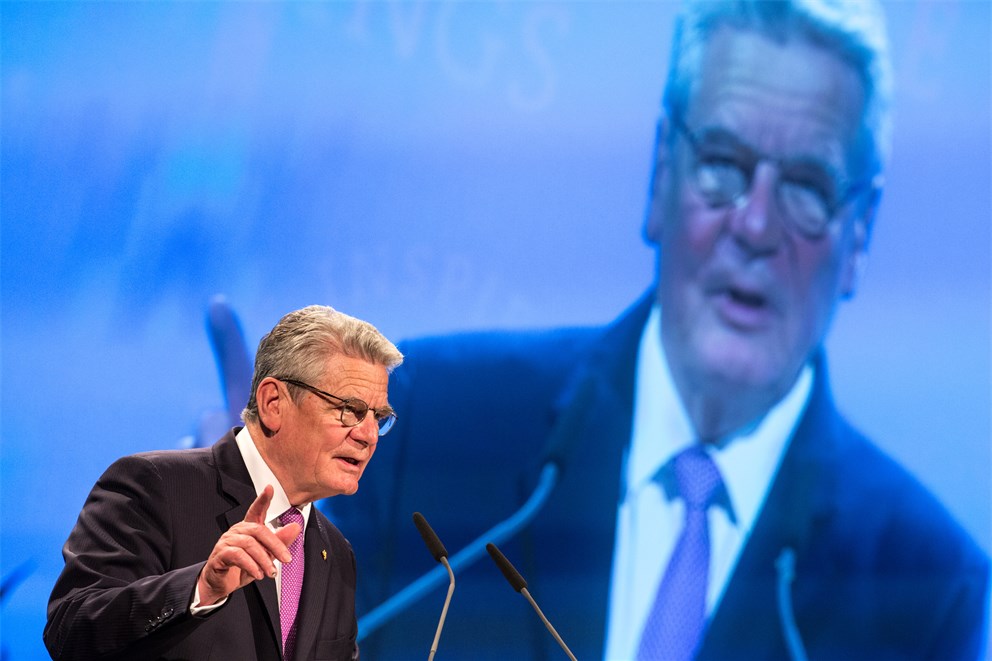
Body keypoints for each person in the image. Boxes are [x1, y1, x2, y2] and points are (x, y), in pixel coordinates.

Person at [199, 1, 988, 659]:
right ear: (661, 175)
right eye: (722, 162)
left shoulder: (925, 589)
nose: (754, 225)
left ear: (859, 234)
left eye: (807, 186)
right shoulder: (419, 431)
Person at [44, 305, 403, 661]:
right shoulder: (154, 485)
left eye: (379, 417)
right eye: (350, 410)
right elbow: (70, 631)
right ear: (273, 403)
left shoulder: (336, 552)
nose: (369, 435)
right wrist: (201, 587)